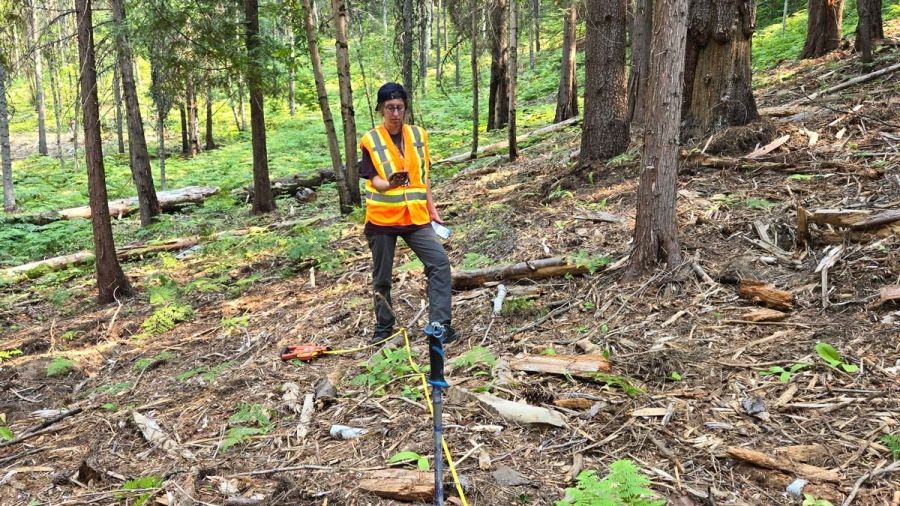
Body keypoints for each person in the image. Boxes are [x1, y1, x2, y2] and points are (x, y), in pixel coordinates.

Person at [358, 83, 456, 345]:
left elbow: (423, 178)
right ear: (380, 109)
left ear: (405, 108)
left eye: (400, 107)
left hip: (415, 217)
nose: (395, 113)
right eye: (389, 107)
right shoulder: (371, 140)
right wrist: (389, 183)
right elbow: (373, 179)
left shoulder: (418, 136)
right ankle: (383, 327)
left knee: (439, 263)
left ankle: (440, 325)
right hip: (382, 220)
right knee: (382, 278)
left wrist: (431, 208)